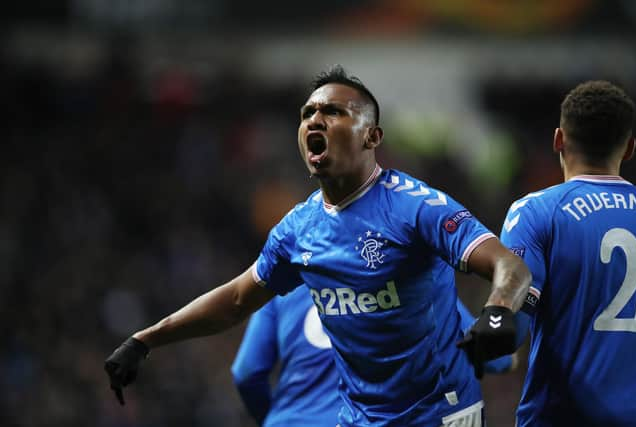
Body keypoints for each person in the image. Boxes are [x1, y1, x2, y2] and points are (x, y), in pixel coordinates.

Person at [105, 65, 531, 427]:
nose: (315, 119)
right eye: (308, 112)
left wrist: (497, 313)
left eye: (334, 111)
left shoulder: (415, 207)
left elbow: (508, 266)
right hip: (359, 417)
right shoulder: (297, 229)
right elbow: (236, 300)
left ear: (372, 136)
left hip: (440, 413)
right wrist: (145, 339)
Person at [498, 80, 636, 427]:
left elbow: (513, 321)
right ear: (630, 148)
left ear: (558, 139)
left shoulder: (535, 212)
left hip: (560, 416)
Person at [231, 286, 517, 427]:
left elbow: (246, 372)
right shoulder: (410, 275)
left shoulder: (286, 284)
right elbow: (493, 356)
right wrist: (512, 359)